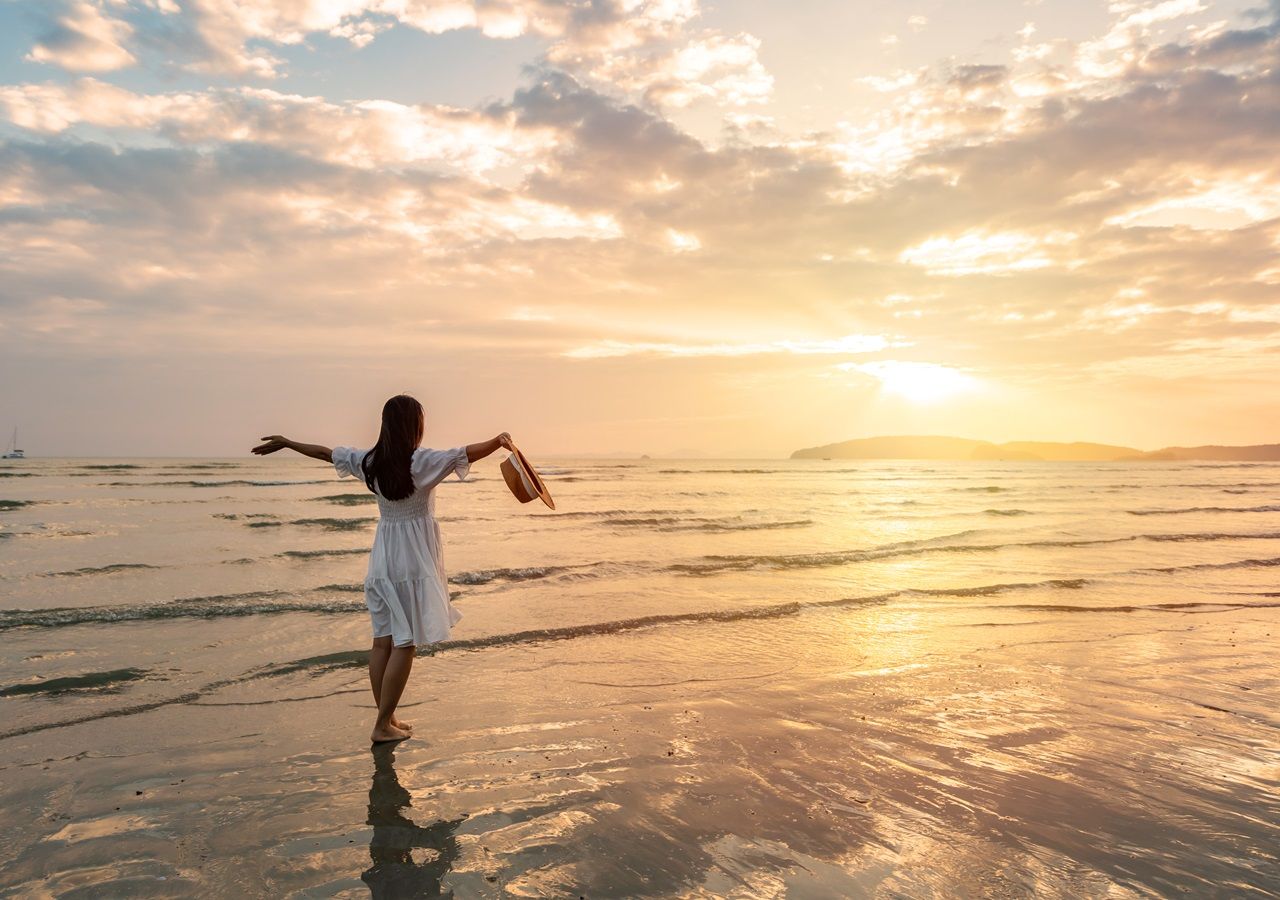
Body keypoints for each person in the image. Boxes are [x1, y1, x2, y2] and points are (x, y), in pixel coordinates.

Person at [251, 394, 512, 743]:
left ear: (386, 426)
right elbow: (465, 453)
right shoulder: (421, 462)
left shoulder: (369, 461)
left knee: (382, 643)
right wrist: (499, 441)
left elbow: (324, 453)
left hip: (382, 560)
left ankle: (386, 719)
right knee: (405, 644)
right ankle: (381, 725)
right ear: (414, 426)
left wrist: (288, 443)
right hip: (412, 561)